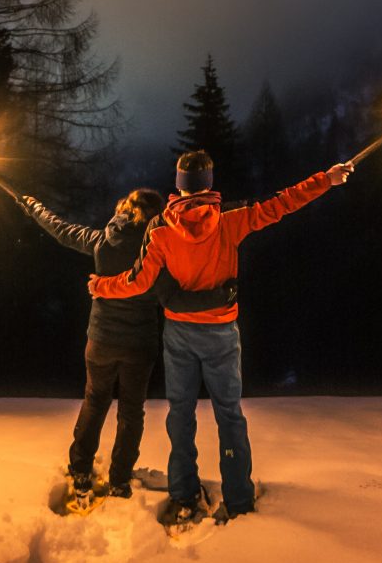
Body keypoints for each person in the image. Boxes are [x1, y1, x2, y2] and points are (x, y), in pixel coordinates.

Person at [88, 148, 352, 524]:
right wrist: (326, 179)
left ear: (179, 186)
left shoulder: (160, 228)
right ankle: (239, 498)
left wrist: (101, 286)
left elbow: (138, 281)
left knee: (181, 414)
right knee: (229, 414)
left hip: (179, 332)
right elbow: (282, 203)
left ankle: (183, 493)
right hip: (221, 333)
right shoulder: (230, 218)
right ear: (209, 183)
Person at [19, 187, 233, 499]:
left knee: (95, 402)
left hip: (101, 341)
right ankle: (119, 479)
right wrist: (220, 294)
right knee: (131, 412)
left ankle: (80, 470)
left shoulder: (102, 240)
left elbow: (61, 230)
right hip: (138, 346)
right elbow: (176, 298)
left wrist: (34, 206)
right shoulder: (158, 253)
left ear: (125, 210)